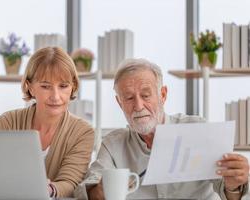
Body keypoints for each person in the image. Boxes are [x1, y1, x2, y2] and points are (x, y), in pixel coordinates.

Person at [74, 58, 249, 200]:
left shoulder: (197, 130)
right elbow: (88, 187)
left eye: (145, 95)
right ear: (120, 103)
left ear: (163, 95)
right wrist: (98, 193)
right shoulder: (113, 145)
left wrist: (234, 185)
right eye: (128, 98)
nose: (138, 105)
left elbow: (230, 191)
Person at [0, 47, 94, 197]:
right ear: (30, 87)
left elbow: (71, 182)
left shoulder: (83, 132)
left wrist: (49, 190)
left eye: (63, 86)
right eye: (46, 86)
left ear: (73, 87)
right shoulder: (7, 123)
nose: (56, 96)